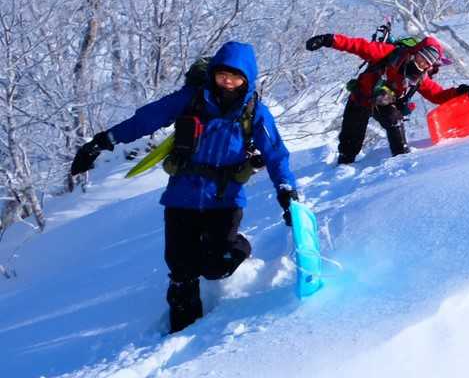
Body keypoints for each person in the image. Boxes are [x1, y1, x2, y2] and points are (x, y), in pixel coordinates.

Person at [69, 41, 299, 333]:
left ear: (247, 79)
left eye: (236, 77)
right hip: (182, 196)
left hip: (225, 198)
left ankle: (240, 246)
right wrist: (103, 141)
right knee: (181, 269)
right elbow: (145, 119)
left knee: (216, 266)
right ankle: (181, 332)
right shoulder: (191, 99)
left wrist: (286, 190)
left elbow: (276, 153)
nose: (228, 81)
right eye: (223, 74)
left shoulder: (255, 112)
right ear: (213, 73)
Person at [304, 32, 469, 166]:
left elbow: (437, 95)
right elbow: (358, 46)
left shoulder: (420, 78)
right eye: (421, 58)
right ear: (415, 52)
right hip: (360, 97)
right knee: (350, 144)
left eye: (427, 63)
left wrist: (462, 91)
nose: (422, 64)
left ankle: (401, 158)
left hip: (383, 103)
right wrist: (328, 40)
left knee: (394, 118)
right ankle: (344, 166)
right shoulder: (389, 54)